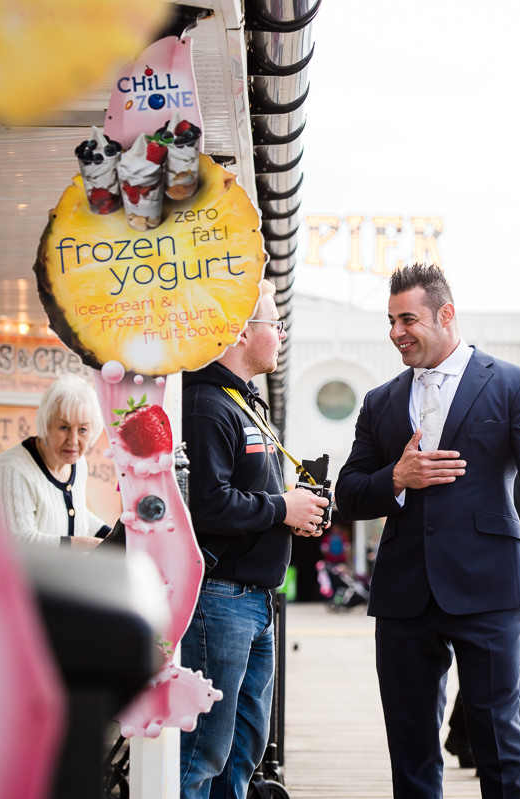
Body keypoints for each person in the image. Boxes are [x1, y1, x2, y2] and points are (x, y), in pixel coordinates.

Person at [335, 263, 520, 799]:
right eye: (390, 320)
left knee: (497, 738)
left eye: (408, 319)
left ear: (446, 314)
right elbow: (349, 490)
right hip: (403, 593)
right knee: (410, 745)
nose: (396, 332)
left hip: (488, 587)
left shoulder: (516, 385)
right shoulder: (379, 401)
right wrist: (395, 478)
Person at [179, 279, 331, 799]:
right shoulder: (205, 402)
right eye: (276, 323)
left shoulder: (241, 402)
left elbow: (239, 497)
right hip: (222, 598)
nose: (282, 335)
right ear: (243, 332)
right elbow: (207, 505)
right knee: (203, 753)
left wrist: (294, 506)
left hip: (253, 602)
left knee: (241, 748)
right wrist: (283, 507)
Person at [0, 373, 111, 549]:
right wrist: (85, 544)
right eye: (63, 427)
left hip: (61, 575)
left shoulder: (78, 462)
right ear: (46, 424)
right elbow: (21, 542)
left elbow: (77, 511)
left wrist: (111, 536)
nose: (73, 440)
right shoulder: (11, 470)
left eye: (83, 429)